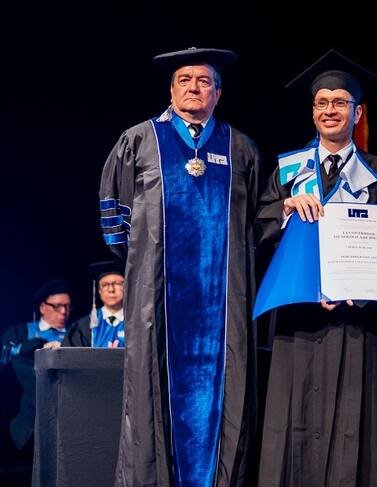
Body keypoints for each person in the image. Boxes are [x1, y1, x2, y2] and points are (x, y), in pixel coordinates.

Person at [99, 47, 260, 487]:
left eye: (204, 81)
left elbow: (255, 222)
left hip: (222, 305)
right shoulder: (139, 140)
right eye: (184, 80)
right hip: (157, 299)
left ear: (218, 93)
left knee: (225, 393)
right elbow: (115, 221)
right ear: (171, 89)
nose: (194, 87)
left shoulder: (239, 147)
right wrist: (146, 269)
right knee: (151, 391)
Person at [256, 50, 377, 487]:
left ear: (357, 113)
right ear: (312, 111)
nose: (329, 110)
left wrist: (358, 289)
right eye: (322, 103)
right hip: (298, 315)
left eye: (340, 102)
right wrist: (286, 207)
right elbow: (258, 229)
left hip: (356, 317)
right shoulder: (289, 169)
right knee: (294, 416)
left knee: (354, 420)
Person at [1, 279, 72, 449]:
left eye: (68, 306)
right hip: (24, 410)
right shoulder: (21, 332)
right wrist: (38, 345)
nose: (64, 312)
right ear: (42, 307)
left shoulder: (76, 332)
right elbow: (5, 357)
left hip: (67, 407)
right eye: (57, 306)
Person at [63, 261, 125, 348]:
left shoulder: (136, 323)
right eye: (105, 285)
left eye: (117, 284)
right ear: (99, 290)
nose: (111, 289)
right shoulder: (83, 326)